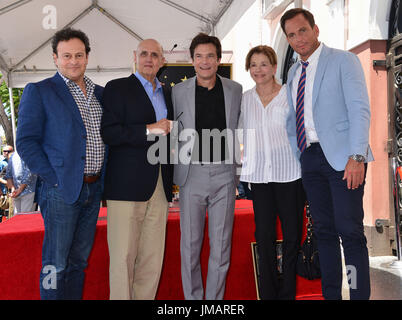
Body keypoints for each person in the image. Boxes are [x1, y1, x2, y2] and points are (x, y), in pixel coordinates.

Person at [280, 8, 373, 300]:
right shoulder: (294, 72)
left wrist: (357, 156)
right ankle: (331, 295)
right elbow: (292, 119)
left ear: (315, 29)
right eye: (291, 35)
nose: (298, 39)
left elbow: (360, 109)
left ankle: (358, 295)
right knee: (324, 233)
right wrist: (300, 154)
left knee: (351, 233)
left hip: (344, 160)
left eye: (302, 31)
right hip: (310, 158)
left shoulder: (343, 60)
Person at [16, 27, 106, 300]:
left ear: (88, 57)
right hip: (60, 192)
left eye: (79, 55)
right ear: (55, 58)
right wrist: (53, 178)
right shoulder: (40, 91)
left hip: (93, 190)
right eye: (66, 56)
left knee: (79, 263)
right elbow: (26, 142)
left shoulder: (101, 94)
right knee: (55, 264)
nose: (73, 61)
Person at [100, 39, 173, 300]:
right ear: (134, 56)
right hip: (126, 187)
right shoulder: (117, 88)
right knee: (122, 259)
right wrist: (149, 129)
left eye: (155, 55)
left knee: (152, 261)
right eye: (144, 53)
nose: (149, 59)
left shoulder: (167, 93)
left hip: (160, 186)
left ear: (162, 61)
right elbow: (109, 132)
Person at [172, 33, 242, 300]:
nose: (205, 61)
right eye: (199, 56)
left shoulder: (234, 90)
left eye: (210, 56)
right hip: (192, 175)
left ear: (218, 59)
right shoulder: (178, 92)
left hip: (225, 173)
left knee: (221, 246)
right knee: (190, 246)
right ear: (192, 60)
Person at [239, 45, 305, 299]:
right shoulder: (245, 99)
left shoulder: (289, 94)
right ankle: (267, 293)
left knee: (291, 238)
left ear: (275, 67)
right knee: (263, 237)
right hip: (259, 178)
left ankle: (288, 293)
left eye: (264, 64)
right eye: (253, 65)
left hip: (290, 175)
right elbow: (239, 134)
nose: (259, 69)